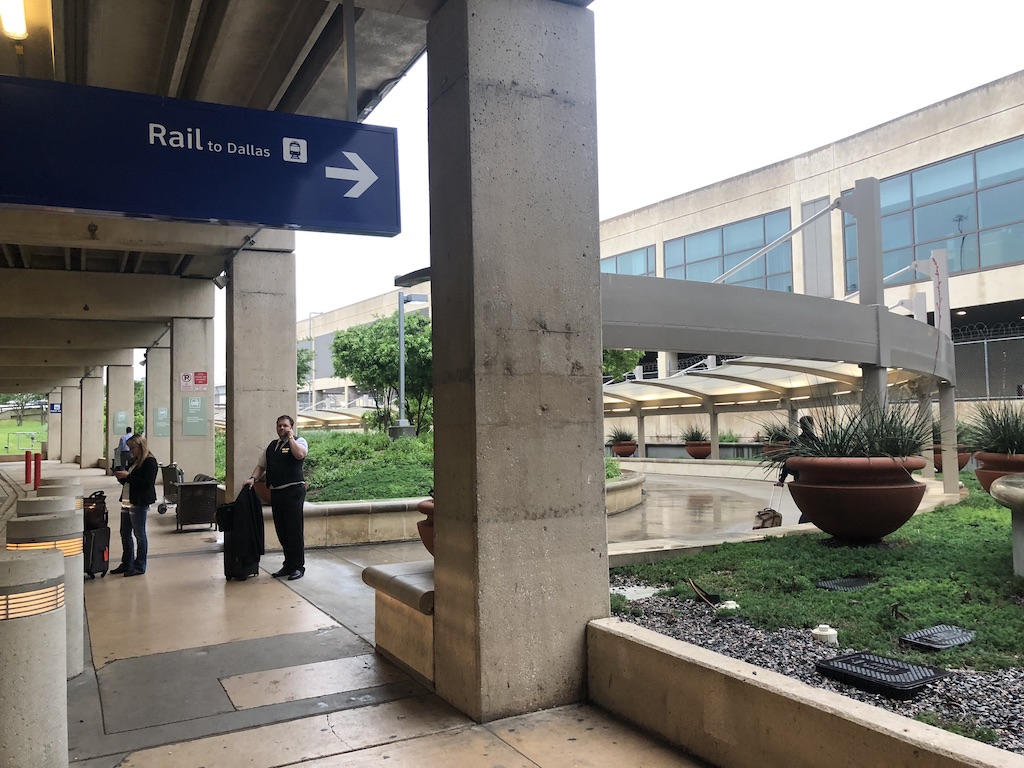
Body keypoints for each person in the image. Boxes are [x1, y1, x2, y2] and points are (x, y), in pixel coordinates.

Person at [246, 415, 308, 580]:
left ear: (291, 427)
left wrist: (290, 438)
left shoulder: (299, 441)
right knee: (282, 531)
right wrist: (253, 478)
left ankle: (298, 567)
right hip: (277, 493)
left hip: (293, 492)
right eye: (279, 425)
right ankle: (288, 565)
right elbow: (261, 466)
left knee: (294, 531)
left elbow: (299, 455)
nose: (282, 428)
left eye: (285, 426)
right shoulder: (272, 446)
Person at [113, 433, 158, 576]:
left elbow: (146, 484)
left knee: (139, 534)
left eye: (133, 447)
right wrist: (121, 477)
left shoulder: (149, 462)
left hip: (139, 502)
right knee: (124, 533)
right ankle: (127, 562)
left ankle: (139, 565)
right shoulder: (134, 461)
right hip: (127, 499)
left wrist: (128, 476)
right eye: (130, 447)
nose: (131, 450)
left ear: (140, 446)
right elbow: (129, 481)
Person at [776, 415, 816, 524]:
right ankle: (807, 521)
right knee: (812, 502)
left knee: (805, 502)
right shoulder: (817, 442)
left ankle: (804, 522)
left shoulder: (796, 441)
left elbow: (788, 461)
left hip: (800, 477)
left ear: (801, 426)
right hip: (815, 477)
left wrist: (781, 479)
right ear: (812, 425)